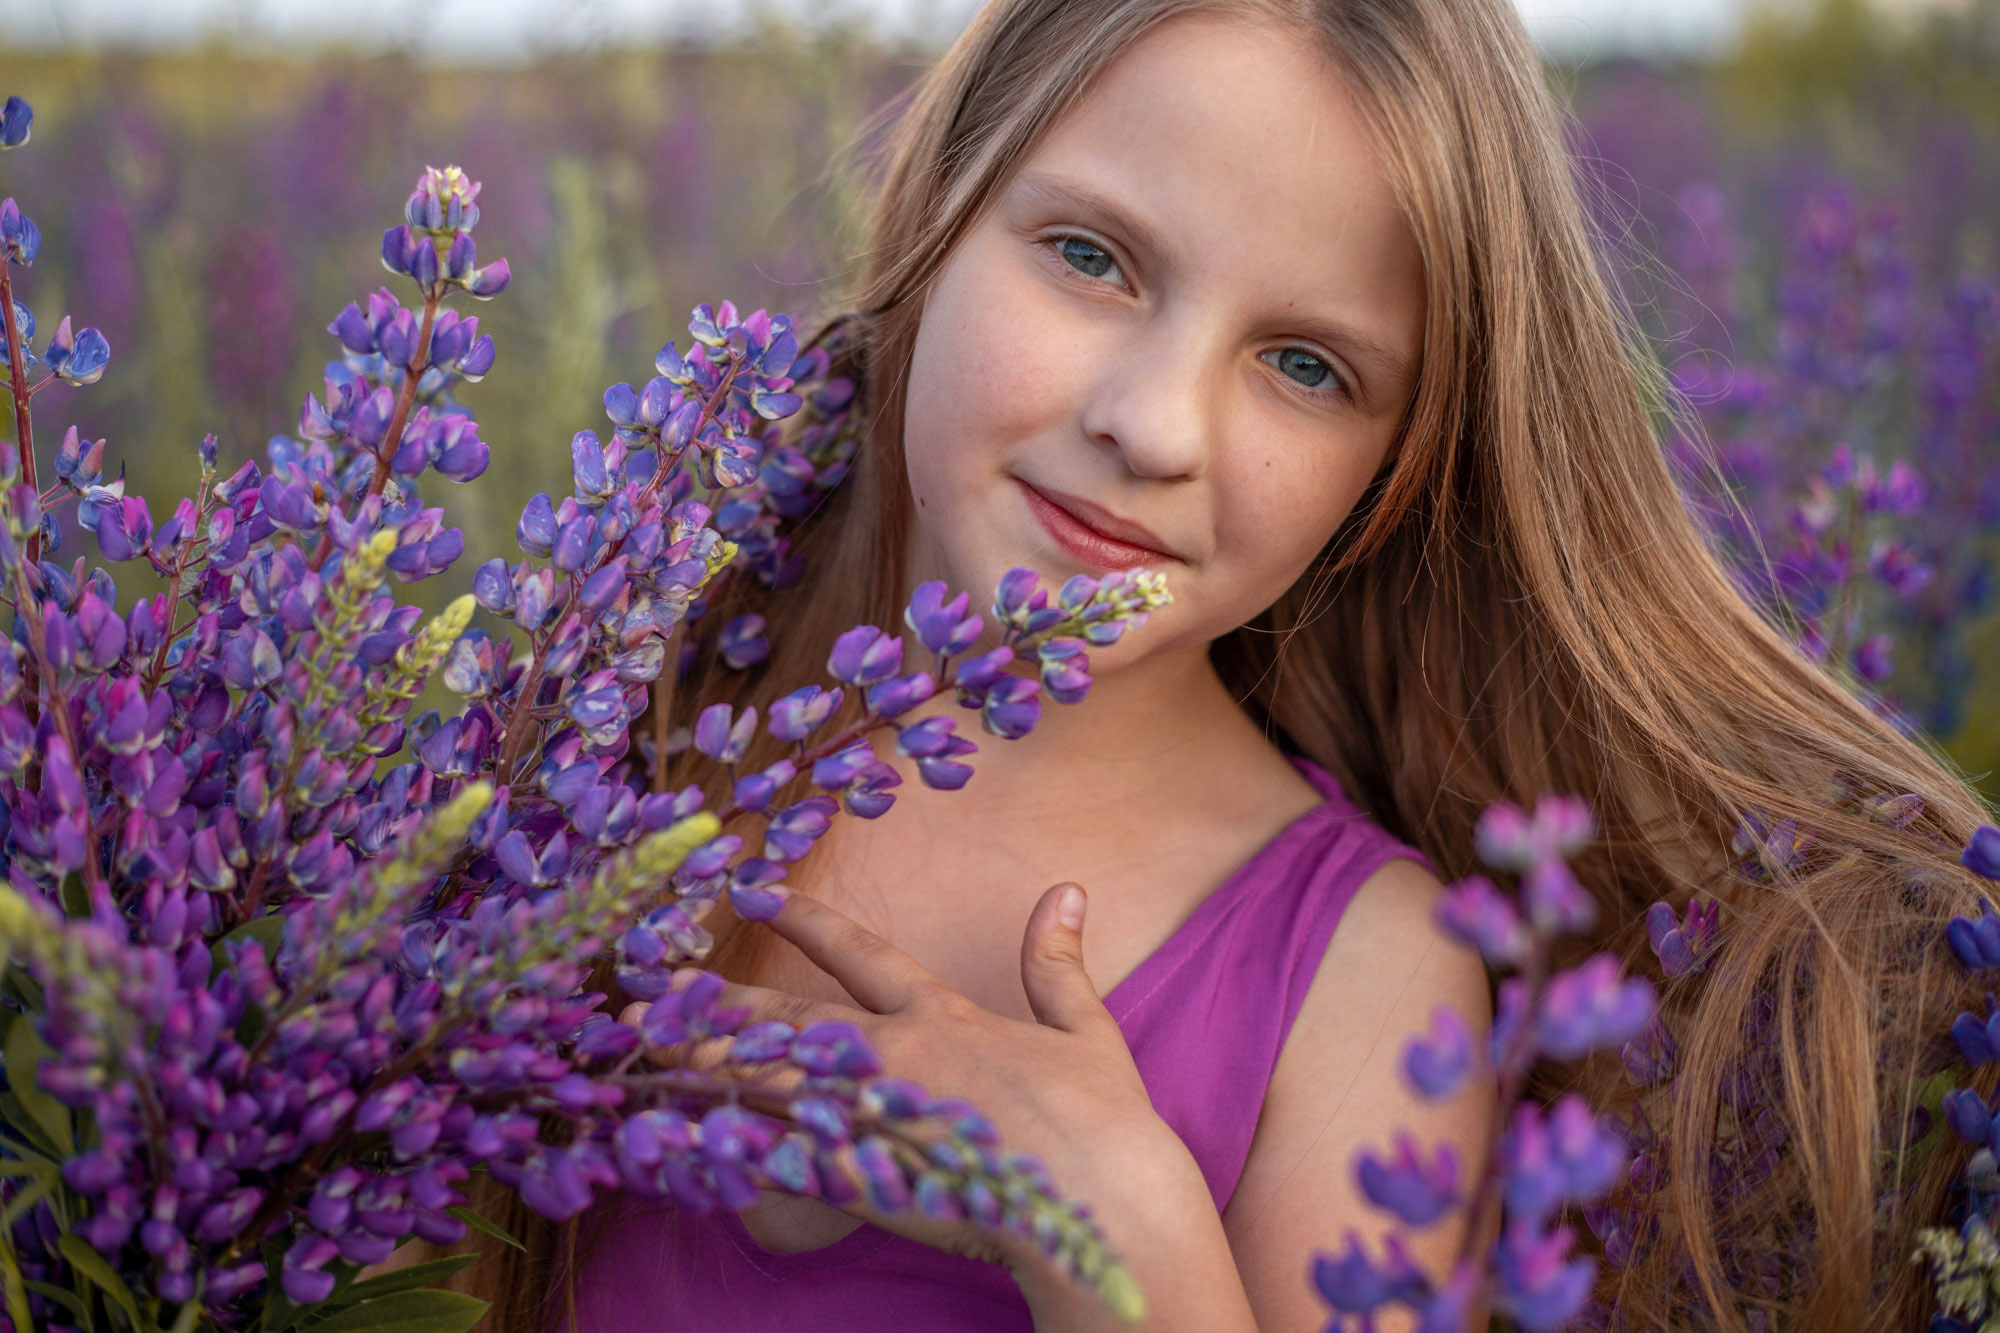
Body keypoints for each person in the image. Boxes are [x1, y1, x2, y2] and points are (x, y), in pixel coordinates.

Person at [452, 0, 1997, 1329]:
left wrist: (1124, 1236)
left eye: (1307, 365)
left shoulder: (1367, 977)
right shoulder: (592, 724)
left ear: (1396, 468)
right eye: (1093, 257)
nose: (1158, 424)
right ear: (934, 215)